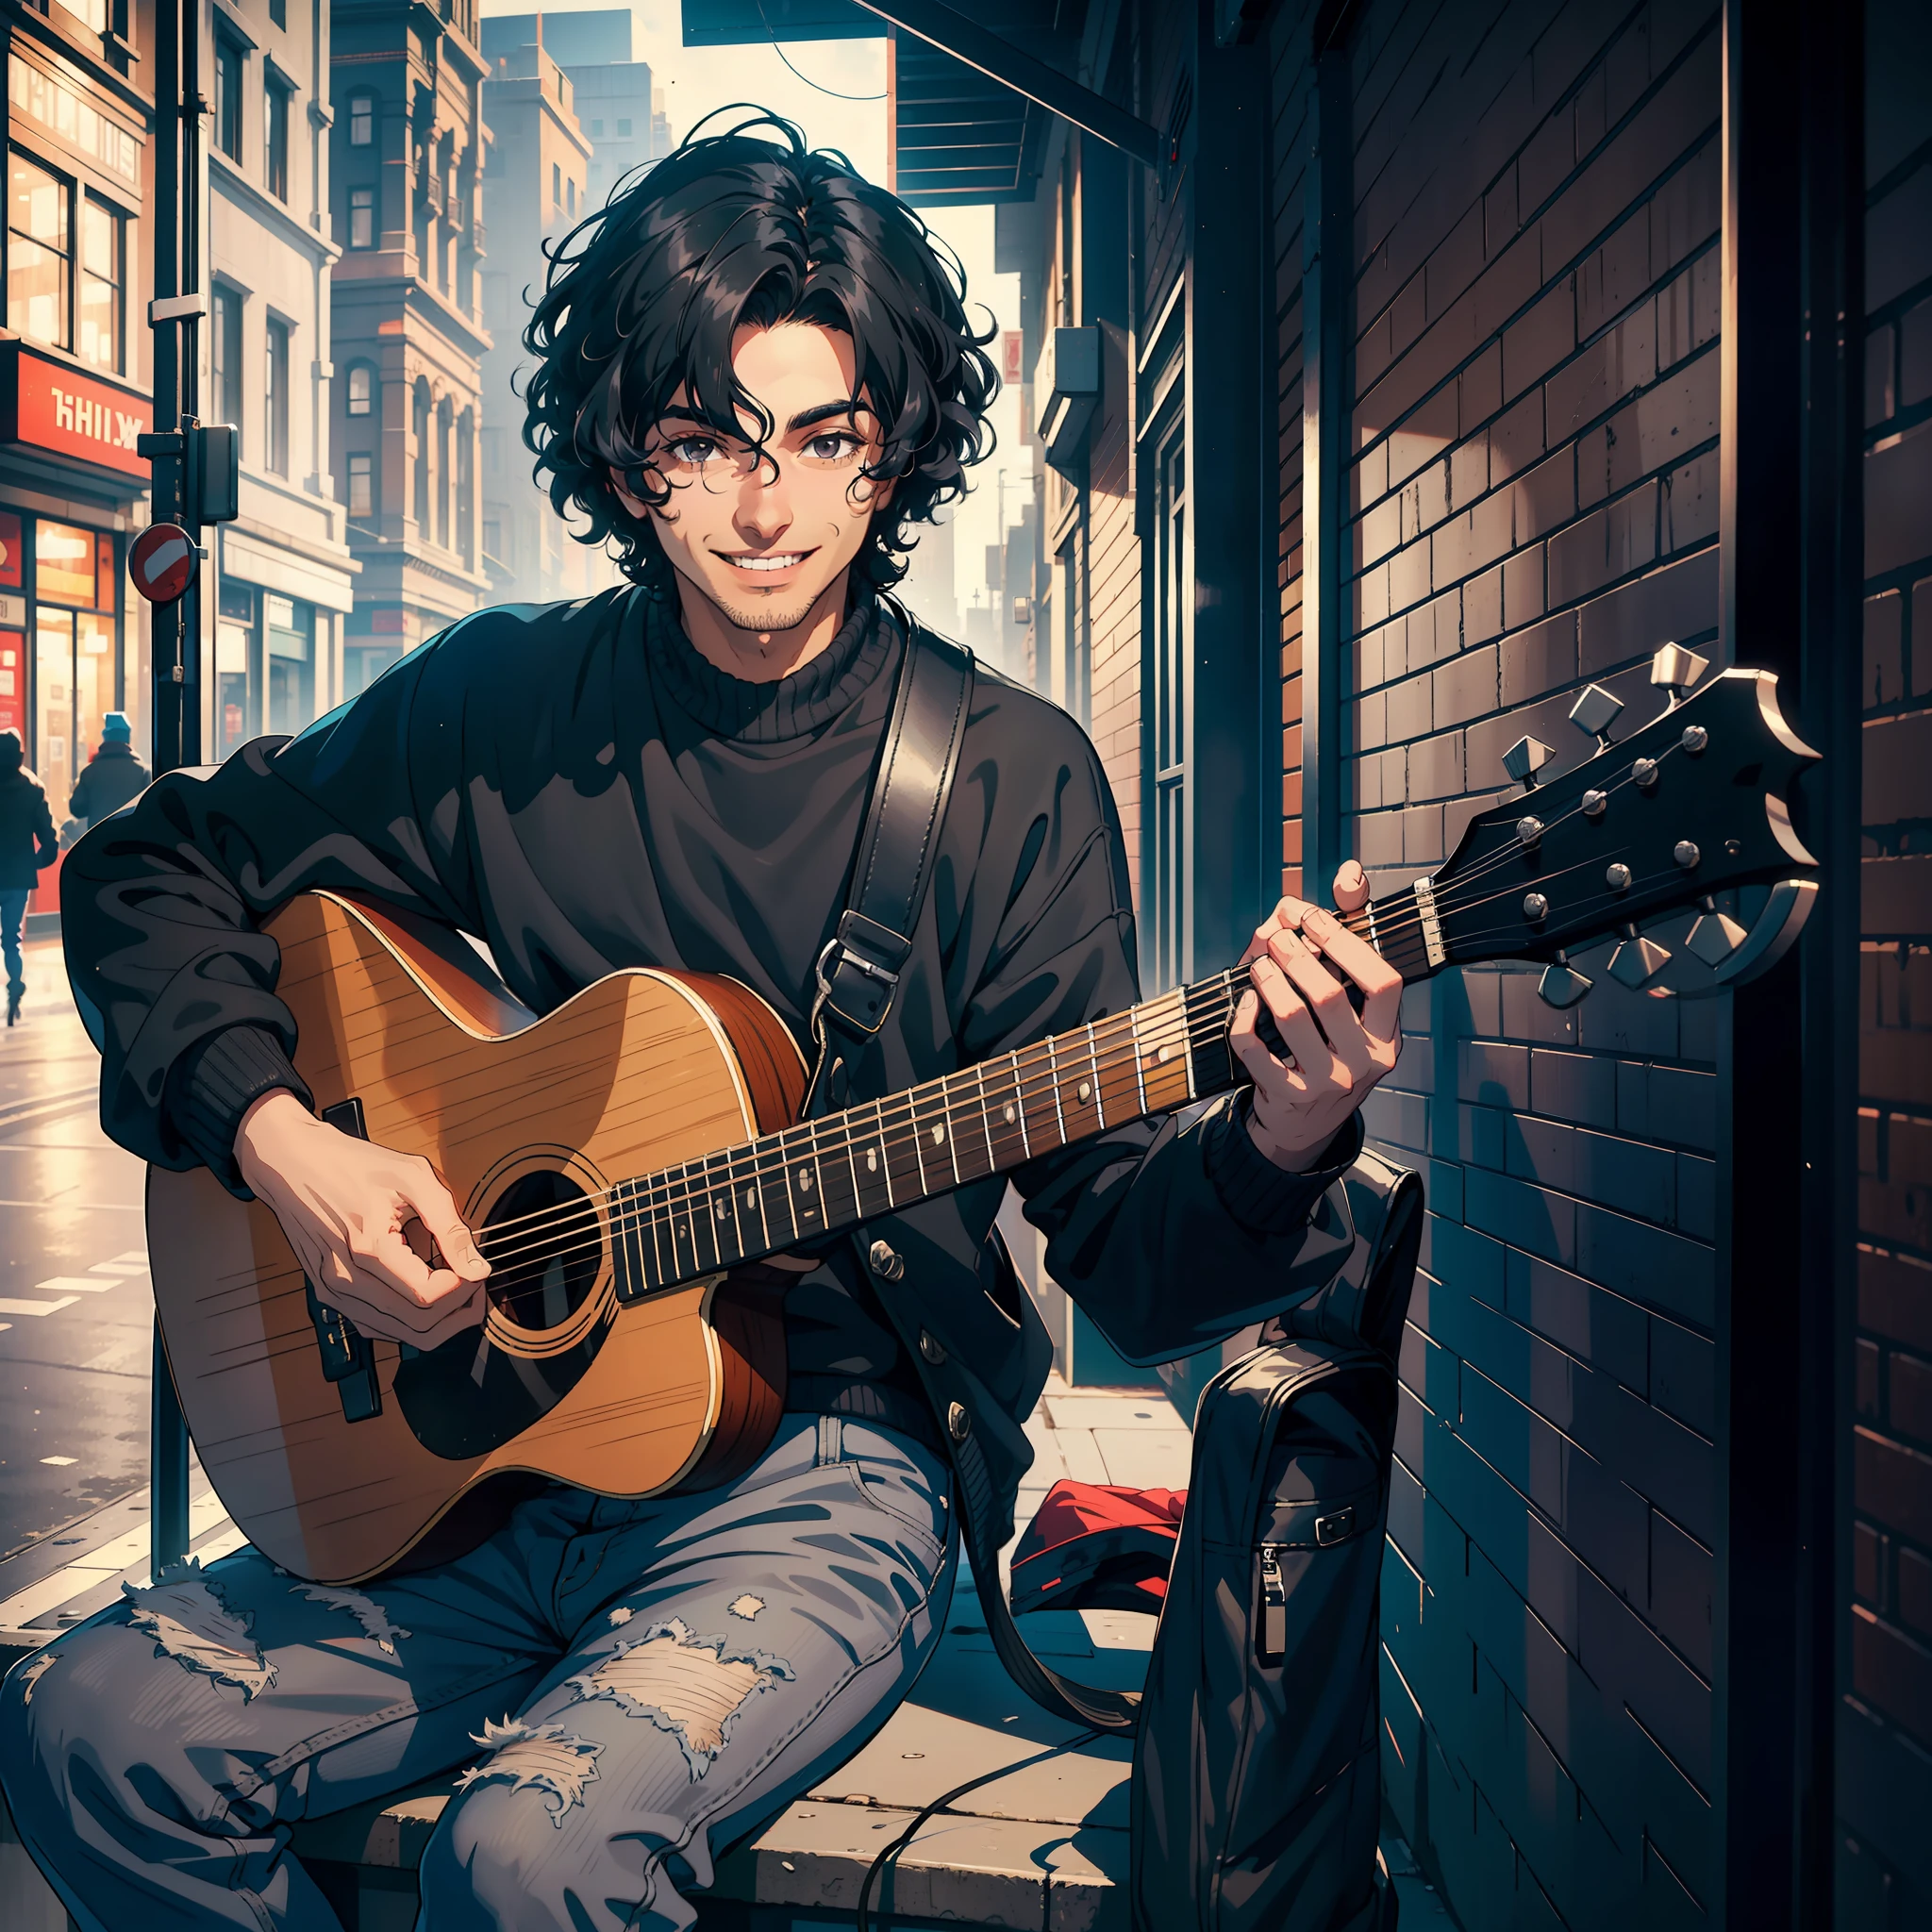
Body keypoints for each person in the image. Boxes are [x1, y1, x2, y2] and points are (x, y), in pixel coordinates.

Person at [0, 114, 1404, 1931]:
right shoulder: (505, 704)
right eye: (708, 441)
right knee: (90, 1724)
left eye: (825, 441)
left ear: (890, 456)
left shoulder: (1004, 779)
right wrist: (294, 1153)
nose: (766, 507)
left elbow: (1127, 1263)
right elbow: (144, 871)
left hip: (817, 1479)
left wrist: (1279, 1135)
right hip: (462, 1471)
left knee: (537, 1845)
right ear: (626, 452)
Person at [0, 727, 58, 1026]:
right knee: (12, 938)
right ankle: (14, 986)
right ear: (20, 756)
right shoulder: (33, 792)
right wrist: (31, 863)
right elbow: (50, 842)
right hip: (17, 877)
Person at [67, 710, 149, 832]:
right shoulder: (143, 772)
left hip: (99, 842)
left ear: (105, 737)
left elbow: (77, 809)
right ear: (128, 738)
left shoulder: (90, 772)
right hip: (132, 842)